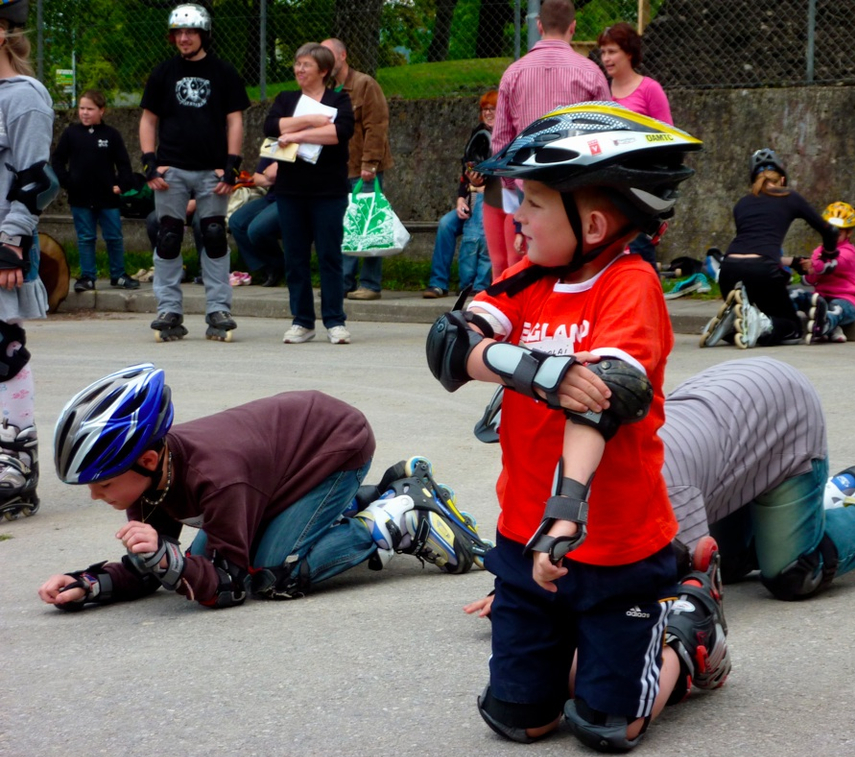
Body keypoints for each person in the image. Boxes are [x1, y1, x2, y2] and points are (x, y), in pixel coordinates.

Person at [426, 103, 720, 753]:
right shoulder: (526, 278)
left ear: (590, 224)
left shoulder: (630, 285)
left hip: (615, 548)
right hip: (524, 541)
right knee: (519, 720)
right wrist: (542, 372)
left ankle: (690, 630)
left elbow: (604, 402)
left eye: (532, 202)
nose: (517, 216)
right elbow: (450, 347)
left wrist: (566, 514)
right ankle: (587, 655)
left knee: (605, 727)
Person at [467, 357, 855, 613]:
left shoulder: (651, 477)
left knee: (790, 573)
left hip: (782, 414)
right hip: (733, 422)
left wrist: (551, 602)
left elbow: (682, 585)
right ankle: (835, 488)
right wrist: (519, 586)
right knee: (734, 560)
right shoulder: (562, 470)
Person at [39, 364, 489, 611]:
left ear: (149, 460)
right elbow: (153, 568)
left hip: (335, 444)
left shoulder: (216, 479)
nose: (95, 495)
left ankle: (402, 519)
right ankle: (370, 499)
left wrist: (168, 558)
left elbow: (229, 584)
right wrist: (91, 584)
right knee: (207, 561)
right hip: (273, 469)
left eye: (103, 483)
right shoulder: (152, 480)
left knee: (272, 573)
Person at [139, 3, 249, 342]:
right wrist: (149, 162)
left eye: (190, 32)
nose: (184, 38)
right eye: (179, 33)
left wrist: (231, 165)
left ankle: (218, 310)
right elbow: (148, 120)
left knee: (214, 236)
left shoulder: (223, 72)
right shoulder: (163, 73)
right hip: (171, 169)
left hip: (211, 170)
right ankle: (168, 310)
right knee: (168, 237)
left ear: (204, 35)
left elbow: (235, 120)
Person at [486, 0, 611, 280]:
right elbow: (606, 132)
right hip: (577, 180)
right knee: (576, 259)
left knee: (536, 258)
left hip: (530, 182)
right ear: (573, 27)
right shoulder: (591, 72)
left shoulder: (514, 73)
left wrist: (510, 185)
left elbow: (501, 139)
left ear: (539, 25)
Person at [0, 0, 56, 523]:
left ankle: (15, 463)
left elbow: (36, 178)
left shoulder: (24, 97)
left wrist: (12, 240)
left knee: (3, 348)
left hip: (2, 238)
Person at [700, 148, 838, 349]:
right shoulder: (789, 196)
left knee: (751, 320)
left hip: (728, 269)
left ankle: (732, 326)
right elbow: (830, 231)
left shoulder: (742, 204)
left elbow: (751, 248)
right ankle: (761, 323)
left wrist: (794, 262)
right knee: (792, 328)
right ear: (782, 179)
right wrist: (828, 255)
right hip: (762, 272)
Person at [265, 43, 354, 345]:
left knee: (329, 256)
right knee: (295, 257)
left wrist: (296, 135)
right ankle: (302, 321)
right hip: (290, 191)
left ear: (323, 70)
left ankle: (335, 321)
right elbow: (272, 126)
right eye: (297, 64)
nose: (299, 69)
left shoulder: (339, 100)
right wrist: (311, 121)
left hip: (329, 191)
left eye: (306, 65)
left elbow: (338, 132)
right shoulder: (286, 99)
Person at [320, 37, 394, 303]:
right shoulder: (327, 90)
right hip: (338, 169)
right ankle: (343, 282)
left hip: (363, 168)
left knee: (369, 224)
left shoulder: (364, 84)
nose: (324, 60)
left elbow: (377, 125)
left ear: (343, 55)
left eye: (328, 54)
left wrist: (370, 163)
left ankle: (370, 284)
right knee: (345, 227)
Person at [598, 22, 673, 268]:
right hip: (605, 188)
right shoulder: (600, 91)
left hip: (639, 190)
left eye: (612, 51)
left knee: (639, 258)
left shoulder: (650, 89)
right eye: (603, 52)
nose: (606, 58)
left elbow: (669, 140)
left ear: (629, 52)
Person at [52, 89, 139, 293]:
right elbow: (57, 159)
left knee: (114, 237)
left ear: (102, 110)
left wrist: (122, 184)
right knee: (85, 238)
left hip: (107, 198)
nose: (84, 113)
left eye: (90, 109)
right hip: (80, 197)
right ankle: (87, 276)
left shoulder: (111, 135)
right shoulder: (71, 134)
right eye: (82, 108)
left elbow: (123, 164)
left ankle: (118, 275)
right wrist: (67, 181)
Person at [423, 90, 496, 299]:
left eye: (493, 109)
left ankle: (476, 284)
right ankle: (438, 283)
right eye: (485, 109)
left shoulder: (505, 136)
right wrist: (460, 199)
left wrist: (482, 187)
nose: (488, 113)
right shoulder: (478, 134)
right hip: (472, 197)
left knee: (478, 234)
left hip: (494, 201)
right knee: (446, 224)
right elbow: (466, 173)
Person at [790, 201, 855, 344]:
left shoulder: (848, 252)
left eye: (837, 233)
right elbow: (810, 280)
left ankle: (824, 324)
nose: (832, 236)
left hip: (848, 300)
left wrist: (814, 264)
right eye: (829, 232)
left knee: (836, 308)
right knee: (796, 295)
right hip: (821, 299)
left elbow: (829, 265)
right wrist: (805, 270)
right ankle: (778, 321)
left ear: (849, 232)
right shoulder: (818, 251)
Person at [227, 159, 283, 287]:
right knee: (236, 221)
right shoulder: (272, 148)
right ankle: (265, 267)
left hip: (290, 198)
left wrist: (271, 176)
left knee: (257, 229)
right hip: (271, 197)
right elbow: (257, 178)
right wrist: (274, 178)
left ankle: (278, 266)